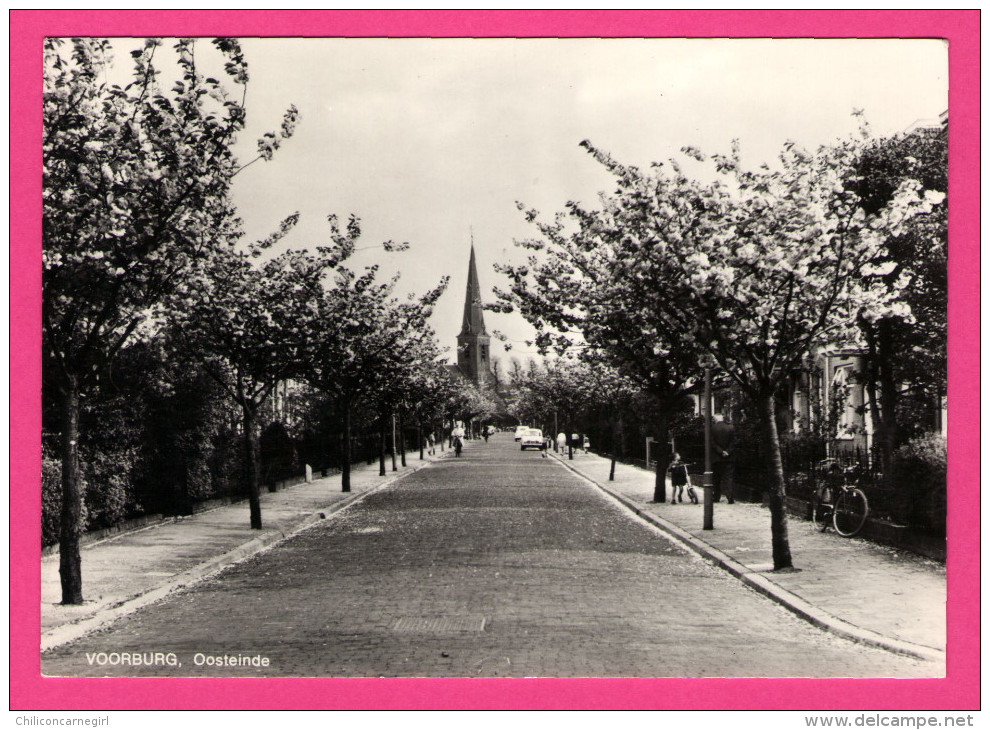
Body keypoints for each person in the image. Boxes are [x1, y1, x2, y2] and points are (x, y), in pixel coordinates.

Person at [711, 413, 736, 503]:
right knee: (728, 478)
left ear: (715, 419)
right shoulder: (731, 427)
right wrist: (727, 452)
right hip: (729, 458)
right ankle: (730, 497)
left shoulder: (712, 428)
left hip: (717, 458)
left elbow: (712, 443)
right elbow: (733, 442)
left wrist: (721, 452)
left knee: (716, 478)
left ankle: (716, 497)